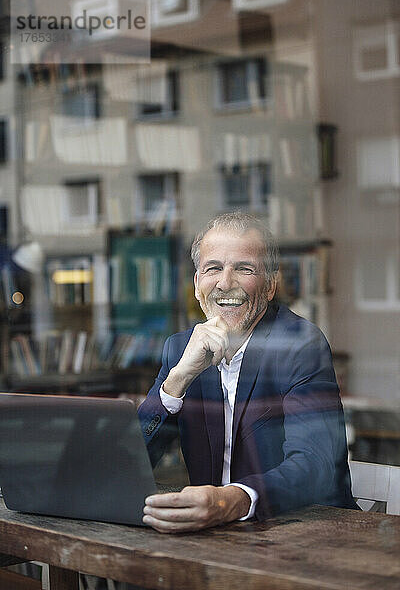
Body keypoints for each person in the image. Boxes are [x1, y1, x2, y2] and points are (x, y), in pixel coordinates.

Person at [138, 212, 357, 533]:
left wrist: (229, 501)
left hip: (305, 532)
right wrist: (177, 380)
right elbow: (129, 462)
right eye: (213, 268)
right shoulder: (179, 349)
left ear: (270, 285)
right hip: (218, 538)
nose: (226, 283)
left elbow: (315, 465)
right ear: (198, 284)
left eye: (244, 268)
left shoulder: (298, 344)